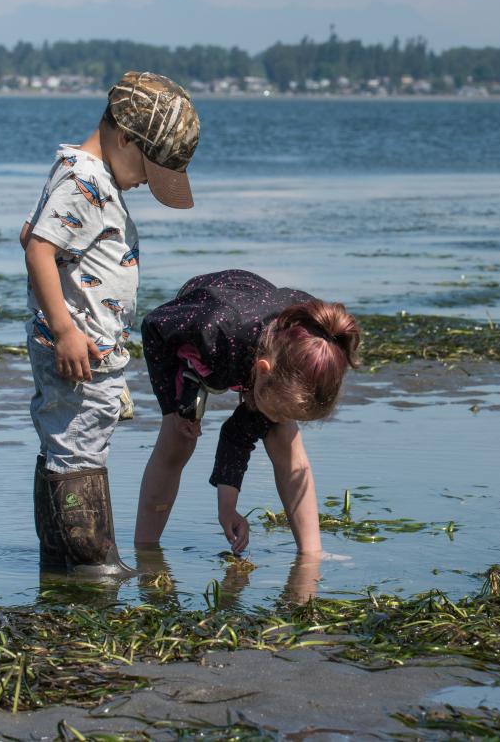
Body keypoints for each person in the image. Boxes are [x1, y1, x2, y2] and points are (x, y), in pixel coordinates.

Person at [21, 72, 200, 575]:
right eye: (148, 169)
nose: (147, 182)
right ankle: (91, 558)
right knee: (79, 447)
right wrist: (64, 331)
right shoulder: (84, 180)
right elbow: (40, 247)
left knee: (70, 442)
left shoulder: (80, 175)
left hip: (85, 348)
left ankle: (61, 559)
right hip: (75, 351)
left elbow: (33, 237)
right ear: (125, 137)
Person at [134, 269, 360, 556]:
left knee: (283, 438)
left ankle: (312, 555)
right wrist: (173, 407)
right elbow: (154, 324)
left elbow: (237, 434)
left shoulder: (315, 339)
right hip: (205, 321)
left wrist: (227, 508)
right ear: (262, 374)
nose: (277, 418)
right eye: (280, 410)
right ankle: (146, 550)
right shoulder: (212, 328)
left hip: (263, 341)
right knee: (178, 440)